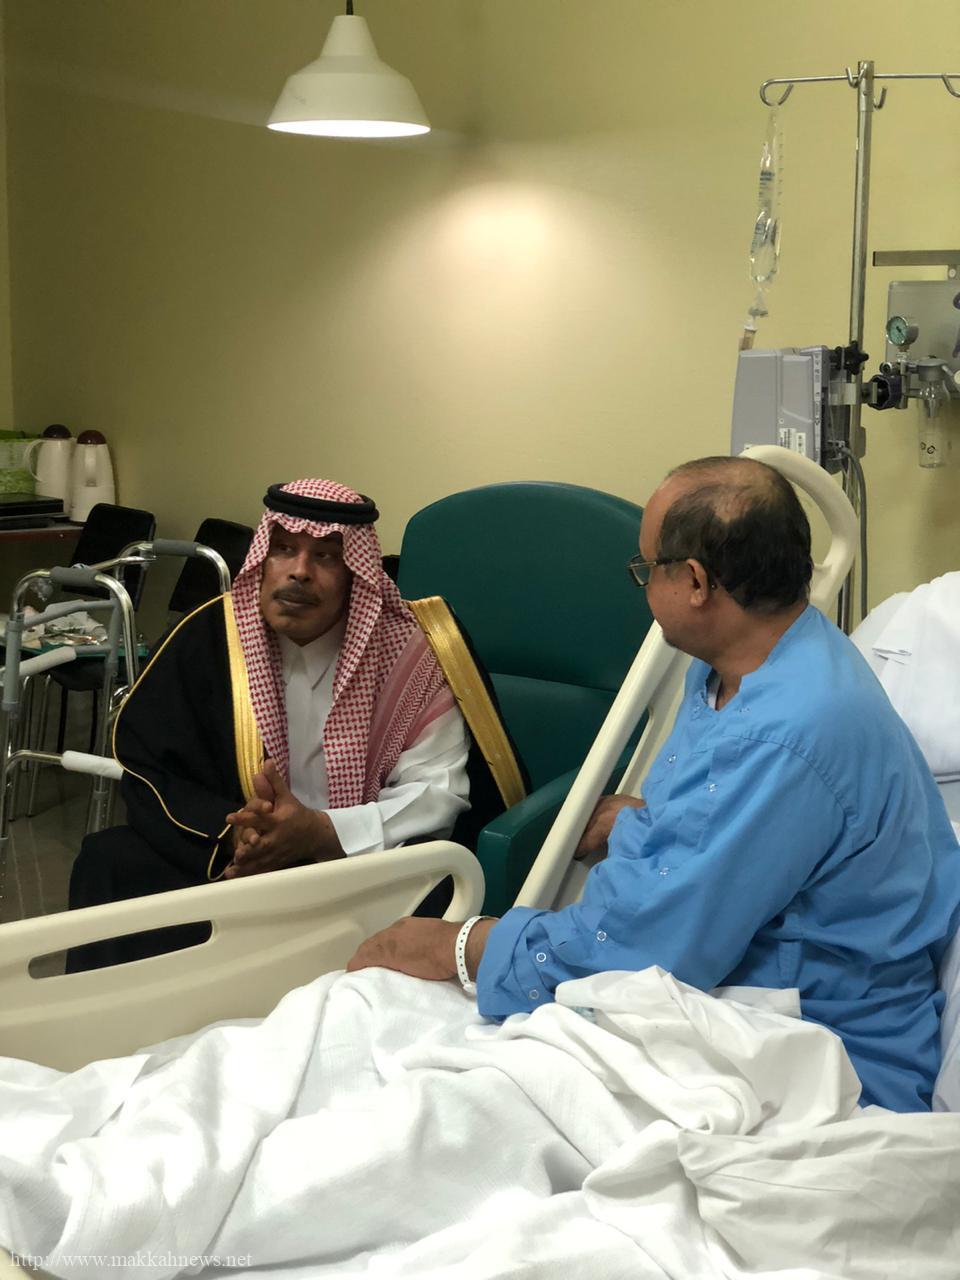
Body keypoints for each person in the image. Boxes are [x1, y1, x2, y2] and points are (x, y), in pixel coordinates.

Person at [348, 455, 960, 1113]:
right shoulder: (746, 667)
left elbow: (641, 955)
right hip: (734, 988)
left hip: (815, 1051)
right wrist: (637, 825)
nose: (642, 585)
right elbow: (727, 844)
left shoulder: (784, 731)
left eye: (646, 569)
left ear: (694, 581)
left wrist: (460, 945)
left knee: (416, 1081)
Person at [68, 478, 471, 967]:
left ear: (355, 574)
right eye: (283, 549)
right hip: (235, 859)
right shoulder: (209, 637)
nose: (299, 571)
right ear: (262, 558)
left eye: (326, 556)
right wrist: (237, 835)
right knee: (110, 861)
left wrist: (323, 832)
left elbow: (437, 791)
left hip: (358, 864)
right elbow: (152, 766)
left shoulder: (410, 656)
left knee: (432, 895)